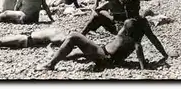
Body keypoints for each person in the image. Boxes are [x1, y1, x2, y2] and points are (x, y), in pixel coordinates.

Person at [37, 17, 170, 71]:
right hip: (103, 52)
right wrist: (164, 55)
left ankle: (50, 65)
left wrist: (143, 68)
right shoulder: (141, 26)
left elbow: (138, 46)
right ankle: (53, 55)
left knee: (73, 36)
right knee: (74, 55)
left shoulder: (132, 26)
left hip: (106, 57)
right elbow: (153, 40)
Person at [0, 28, 67, 50]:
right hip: (27, 37)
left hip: (26, 41)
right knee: (3, 39)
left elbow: (63, 43)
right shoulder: (59, 32)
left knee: (0, 42)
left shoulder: (59, 36)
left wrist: (48, 46)